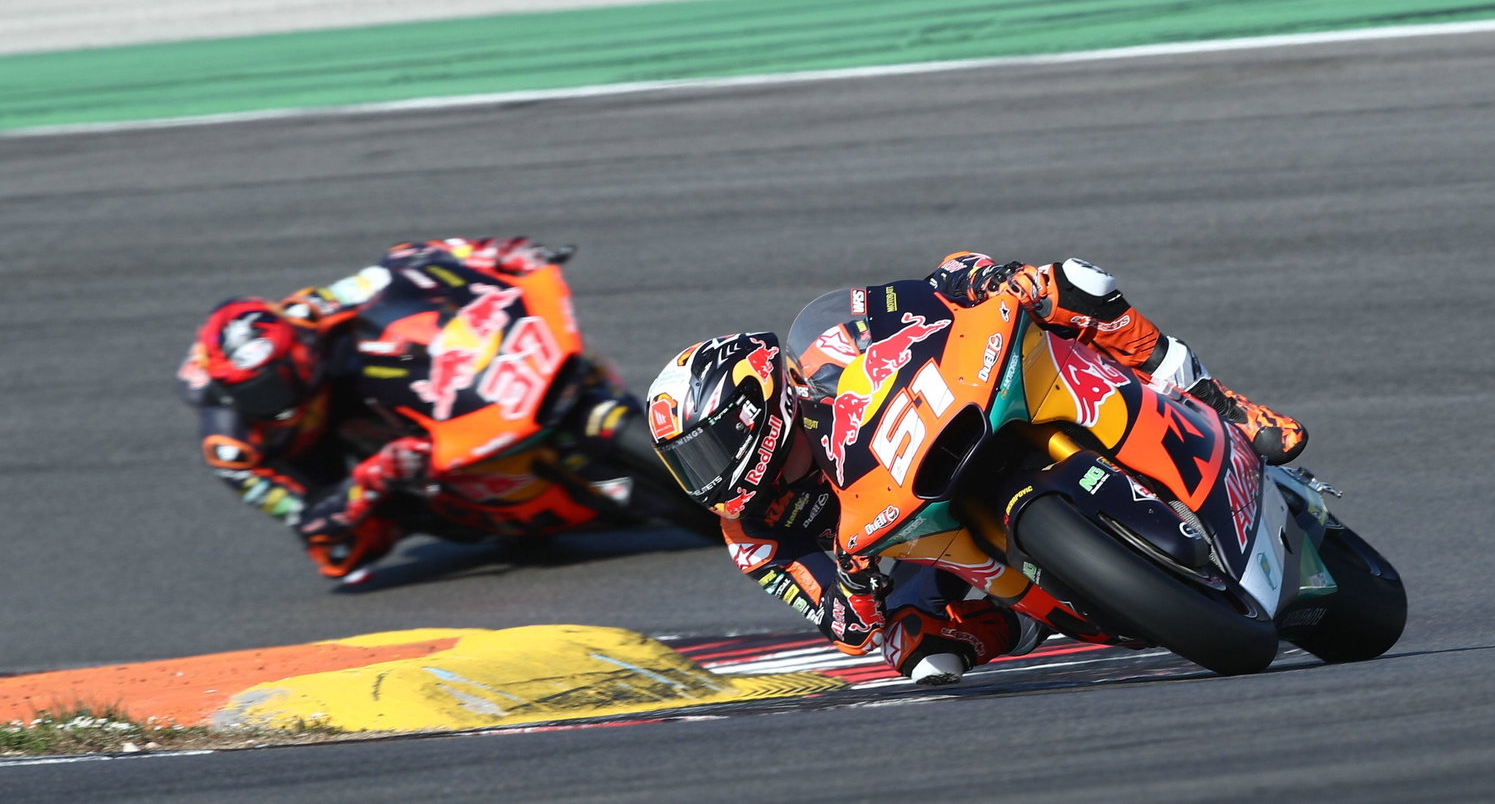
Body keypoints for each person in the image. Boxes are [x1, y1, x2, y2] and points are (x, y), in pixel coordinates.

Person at [644, 251, 1306, 685]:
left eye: (705, 450)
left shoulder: (823, 345)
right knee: (912, 650)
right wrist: (856, 580)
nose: (705, 477)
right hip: (911, 546)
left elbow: (931, 293)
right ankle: (1028, 615)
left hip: (956, 406)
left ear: (752, 407)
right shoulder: (752, 534)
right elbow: (845, 628)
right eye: (685, 464)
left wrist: (981, 282)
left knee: (1069, 282)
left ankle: (1212, 401)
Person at [176, 236, 602, 579]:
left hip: (343, 390)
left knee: (395, 336)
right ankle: (443, 506)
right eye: (253, 393)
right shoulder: (231, 450)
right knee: (340, 555)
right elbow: (305, 518)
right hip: (324, 466)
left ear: (296, 353)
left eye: (273, 383)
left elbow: (400, 263)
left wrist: (493, 252)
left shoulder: (306, 313)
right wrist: (373, 477)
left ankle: (488, 410)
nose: (269, 401)